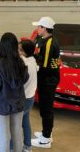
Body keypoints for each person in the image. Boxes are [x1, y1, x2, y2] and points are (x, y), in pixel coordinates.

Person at [0, 33, 29, 152]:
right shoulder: (21, 62)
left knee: (4, 137)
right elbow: (25, 79)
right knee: (17, 133)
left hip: (2, 104)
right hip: (18, 102)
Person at [31, 17, 60, 149]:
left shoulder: (49, 43)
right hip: (48, 79)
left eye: (39, 27)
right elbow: (43, 59)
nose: (37, 29)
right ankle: (46, 132)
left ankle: (46, 139)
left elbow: (45, 66)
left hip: (48, 81)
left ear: (44, 28)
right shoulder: (46, 41)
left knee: (46, 109)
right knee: (45, 108)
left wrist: (34, 67)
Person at [17, 39, 39, 152]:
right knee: (25, 122)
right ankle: (27, 146)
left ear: (25, 52)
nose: (17, 51)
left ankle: (12, 148)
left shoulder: (23, 63)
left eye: (20, 50)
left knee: (14, 125)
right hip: (30, 98)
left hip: (23, 99)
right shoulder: (32, 60)